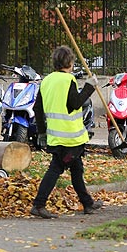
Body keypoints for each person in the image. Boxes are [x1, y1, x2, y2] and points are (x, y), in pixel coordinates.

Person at [30, 45, 103, 218]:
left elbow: (37, 108)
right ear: (70, 62)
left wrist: (42, 133)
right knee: (56, 169)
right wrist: (89, 87)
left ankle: (88, 204)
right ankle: (38, 205)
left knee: (77, 169)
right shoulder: (68, 80)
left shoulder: (46, 81)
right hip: (70, 138)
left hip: (56, 136)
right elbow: (75, 103)